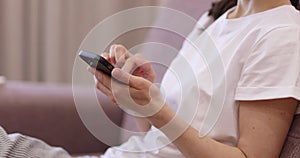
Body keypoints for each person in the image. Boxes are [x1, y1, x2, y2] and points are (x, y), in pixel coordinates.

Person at [88, 0, 300, 157]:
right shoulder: (216, 18)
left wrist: (156, 111)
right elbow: (162, 141)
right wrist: (141, 102)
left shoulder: (282, 34)